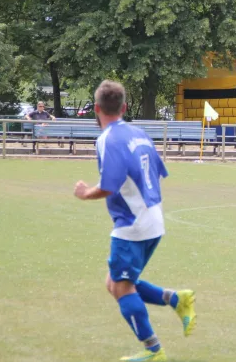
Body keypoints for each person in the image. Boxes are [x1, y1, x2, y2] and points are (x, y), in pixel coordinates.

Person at [73, 80, 196, 362]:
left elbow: (109, 186)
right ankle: (176, 299)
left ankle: (154, 350)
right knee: (114, 282)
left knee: (121, 287)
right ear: (124, 107)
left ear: (96, 109)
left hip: (132, 224)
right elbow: (158, 173)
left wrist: (84, 193)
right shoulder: (139, 133)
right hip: (153, 218)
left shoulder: (107, 139)